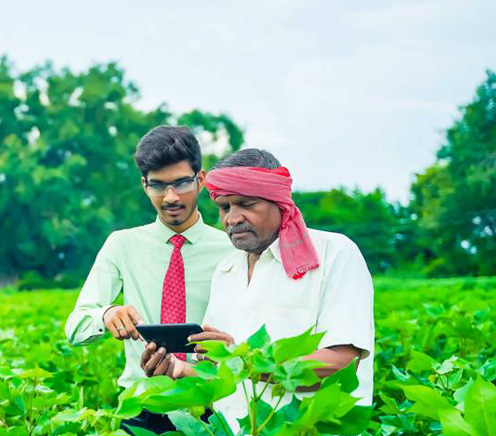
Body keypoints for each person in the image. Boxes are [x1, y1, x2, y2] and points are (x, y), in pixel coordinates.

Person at [139, 149, 374, 430]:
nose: (232, 218)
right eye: (224, 207)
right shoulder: (227, 270)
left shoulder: (333, 254)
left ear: (279, 201)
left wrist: (242, 358)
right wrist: (178, 369)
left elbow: (342, 364)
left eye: (246, 204)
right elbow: (225, 373)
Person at [64, 125, 235, 433]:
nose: (170, 197)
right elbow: (75, 327)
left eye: (181, 183)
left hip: (210, 404)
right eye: (158, 185)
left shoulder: (232, 249)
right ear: (144, 185)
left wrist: (229, 347)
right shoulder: (122, 245)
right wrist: (107, 314)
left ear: (201, 179)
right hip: (142, 406)